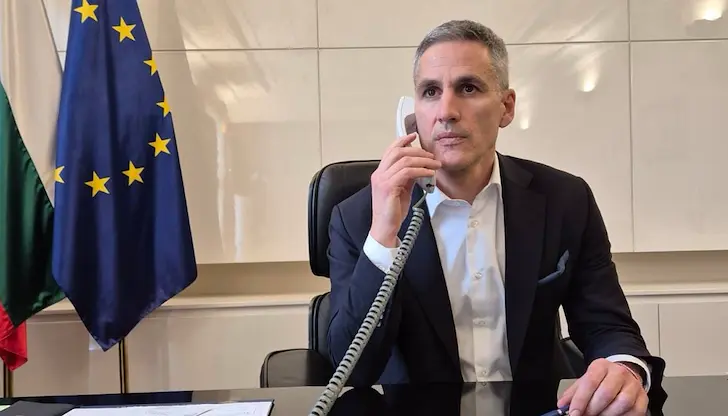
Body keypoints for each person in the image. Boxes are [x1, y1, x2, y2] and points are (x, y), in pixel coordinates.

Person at [326, 19, 664, 416]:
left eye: (468, 88)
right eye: (430, 92)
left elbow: (607, 325)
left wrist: (624, 369)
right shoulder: (357, 218)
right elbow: (354, 370)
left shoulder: (565, 200)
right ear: (412, 113)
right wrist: (384, 234)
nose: (446, 111)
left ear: (506, 107)